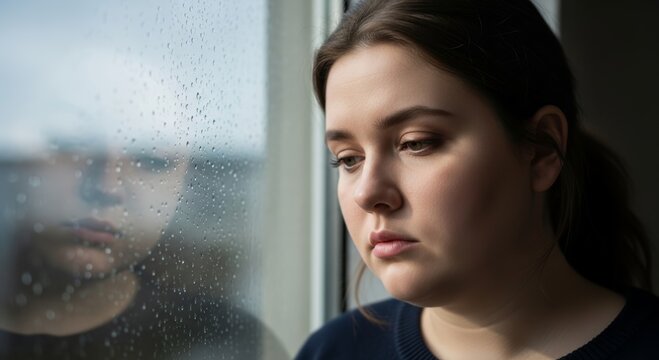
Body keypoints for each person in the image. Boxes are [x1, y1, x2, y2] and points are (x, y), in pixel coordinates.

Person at [296, 0, 659, 359]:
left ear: (542, 149)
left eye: (416, 143)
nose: (367, 192)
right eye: (348, 159)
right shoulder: (332, 351)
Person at [0, 50, 288, 360]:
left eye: (151, 160)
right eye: (73, 141)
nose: (107, 186)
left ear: (181, 184)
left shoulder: (231, 346)